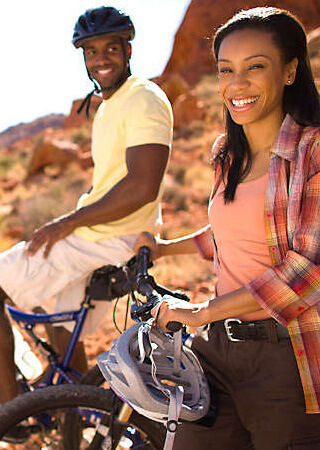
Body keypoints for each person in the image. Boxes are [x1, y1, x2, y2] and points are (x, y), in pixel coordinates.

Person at [134, 6, 320, 449]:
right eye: (225, 70)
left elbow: (308, 273)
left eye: (256, 67)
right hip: (218, 351)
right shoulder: (227, 155)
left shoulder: (312, 150)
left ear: (290, 71)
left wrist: (202, 313)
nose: (236, 84)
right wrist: (163, 249)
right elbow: (227, 235)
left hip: (287, 358)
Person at [0, 5, 173, 442]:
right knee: (61, 335)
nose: (101, 59)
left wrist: (67, 222)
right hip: (101, 235)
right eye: (91, 51)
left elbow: (142, 186)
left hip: (103, 237)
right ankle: (70, 431)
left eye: (110, 48)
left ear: (127, 49)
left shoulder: (143, 97)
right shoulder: (108, 105)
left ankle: (12, 414)